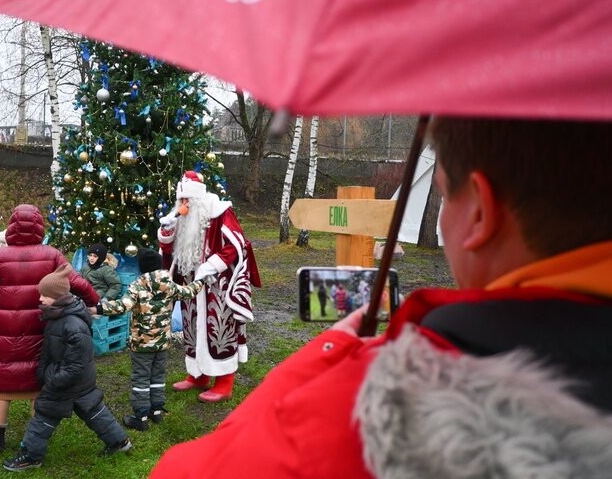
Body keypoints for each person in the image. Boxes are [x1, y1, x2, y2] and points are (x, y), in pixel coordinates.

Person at [151, 118, 612, 478]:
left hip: (216, 294)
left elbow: (195, 471)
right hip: (196, 295)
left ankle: (222, 379)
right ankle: (201, 375)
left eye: (445, 197)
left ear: (478, 214)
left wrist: (308, 372)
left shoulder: (385, 405)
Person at [0, 204, 99, 451]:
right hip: (40, 326)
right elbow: (76, 282)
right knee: (38, 377)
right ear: (39, 227)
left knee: (3, 377)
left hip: (6, 329)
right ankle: (34, 432)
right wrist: (94, 302)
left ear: (11, 226)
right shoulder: (52, 254)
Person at [2, 264, 131, 472]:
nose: (40, 299)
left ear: (58, 296)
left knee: (45, 413)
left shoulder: (71, 324)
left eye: (45, 295)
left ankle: (31, 456)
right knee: (91, 409)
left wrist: (53, 379)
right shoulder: (60, 315)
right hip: (77, 380)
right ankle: (119, 442)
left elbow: (76, 363)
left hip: (67, 380)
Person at [157, 170, 260, 402]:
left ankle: (224, 383)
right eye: (181, 200)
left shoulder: (220, 212)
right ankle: (197, 375)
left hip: (217, 285)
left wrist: (211, 266)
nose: (184, 204)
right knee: (192, 328)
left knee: (219, 330)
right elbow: (167, 248)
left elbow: (236, 243)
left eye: (188, 200)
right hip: (191, 285)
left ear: (198, 199)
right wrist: (168, 227)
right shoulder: (181, 216)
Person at [97, 249, 205, 430]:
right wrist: (202, 280)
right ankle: (156, 411)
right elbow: (189, 291)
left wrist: (99, 308)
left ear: (142, 267)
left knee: (141, 378)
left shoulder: (137, 287)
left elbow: (122, 306)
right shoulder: (169, 284)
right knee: (158, 375)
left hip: (142, 344)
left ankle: (140, 417)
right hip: (162, 342)